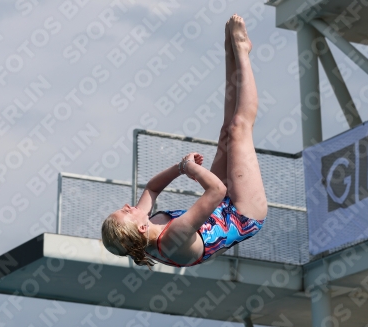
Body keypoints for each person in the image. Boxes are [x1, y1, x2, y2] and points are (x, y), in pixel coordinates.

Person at [101, 14, 268, 268]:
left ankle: (229, 53)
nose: (127, 206)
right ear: (143, 227)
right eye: (127, 212)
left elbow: (152, 188)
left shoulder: (142, 231)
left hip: (221, 209)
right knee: (238, 128)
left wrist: (179, 168)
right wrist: (191, 169)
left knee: (225, 132)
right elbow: (217, 190)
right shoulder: (172, 240)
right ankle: (243, 51)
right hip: (244, 214)